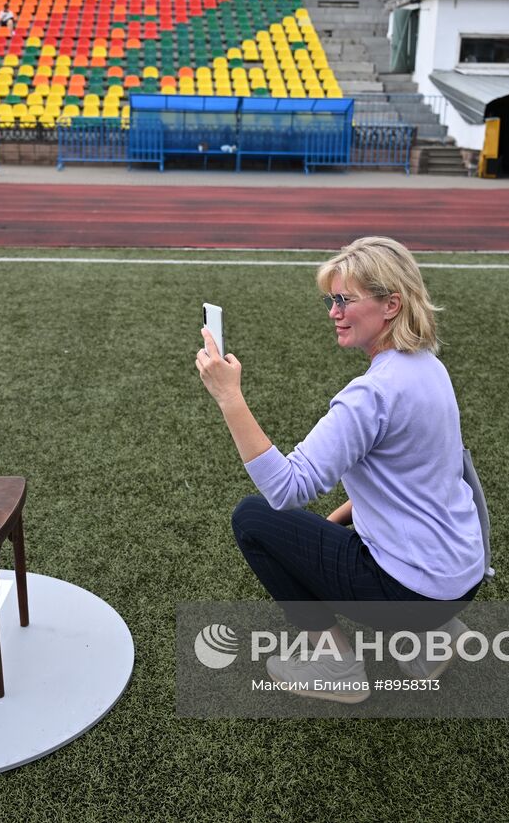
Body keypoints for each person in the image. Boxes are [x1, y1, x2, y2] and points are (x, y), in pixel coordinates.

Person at [195, 236, 484, 703]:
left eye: (345, 300)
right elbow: (426, 472)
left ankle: (337, 664)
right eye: (332, 299)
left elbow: (284, 491)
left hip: (411, 594)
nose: (333, 311)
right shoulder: (430, 368)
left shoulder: (372, 395)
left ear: (391, 305)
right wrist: (331, 526)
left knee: (253, 517)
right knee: (316, 529)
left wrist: (229, 397)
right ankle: (435, 640)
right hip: (462, 578)